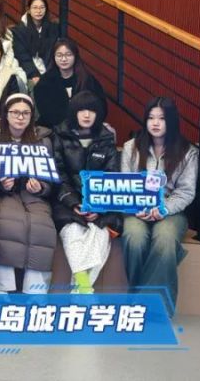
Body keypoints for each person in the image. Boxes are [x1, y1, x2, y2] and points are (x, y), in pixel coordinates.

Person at [121, 97, 198, 310]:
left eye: (162, 118)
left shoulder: (187, 151)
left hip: (171, 211)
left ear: (171, 121)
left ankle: (145, 304)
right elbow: (125, 184)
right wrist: (137, 208)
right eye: (151, 118)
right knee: (134, 237)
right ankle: (145, 302)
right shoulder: (131, 147)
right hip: (137, 209)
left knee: (165, 238)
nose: (155, 123)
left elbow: (186, 192)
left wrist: (163, 208)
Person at [0, 93, 57, 293]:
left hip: (34, 197)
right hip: (5, 195)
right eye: (15, 112)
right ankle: (1, 288)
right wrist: (0, 185)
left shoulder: (43, 140)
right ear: (6, 114)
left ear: (32, 116)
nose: (20, 117)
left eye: (26, 113)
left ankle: (36, 290)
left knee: (43, 228)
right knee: (6, 226)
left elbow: (52, 179)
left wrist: (41, 187)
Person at [52, 91, 121, 293]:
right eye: (82, 110)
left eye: (92, 110)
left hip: (100, 206)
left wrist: (97, 207)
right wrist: (74, 203)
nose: (87, 115)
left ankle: (81, 289)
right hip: (67, 203)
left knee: (100, 235)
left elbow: (112, 177)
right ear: (74, 112)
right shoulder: (60, 136)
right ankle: (84, 289)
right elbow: (58, 176)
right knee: (72, 234)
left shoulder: (106, 139)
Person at [34, 38, 108, 128]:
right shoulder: (45, 82)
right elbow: (46, 113)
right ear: (54, 57)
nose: (64, 59)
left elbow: (101, 106)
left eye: (68, 55)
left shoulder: (87, 80)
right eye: (59, 55)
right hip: (53, 128)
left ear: (75, 56)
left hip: (84, 128)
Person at [13, 0, 61, 84]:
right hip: (29, 71)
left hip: (48, 70)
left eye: (42, 7)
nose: (38, 11)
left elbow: (51, 54)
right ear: (29, 10)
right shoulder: (19, 31)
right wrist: (34, 74)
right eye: (35, 8)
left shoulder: (53, 28)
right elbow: (23, 56)